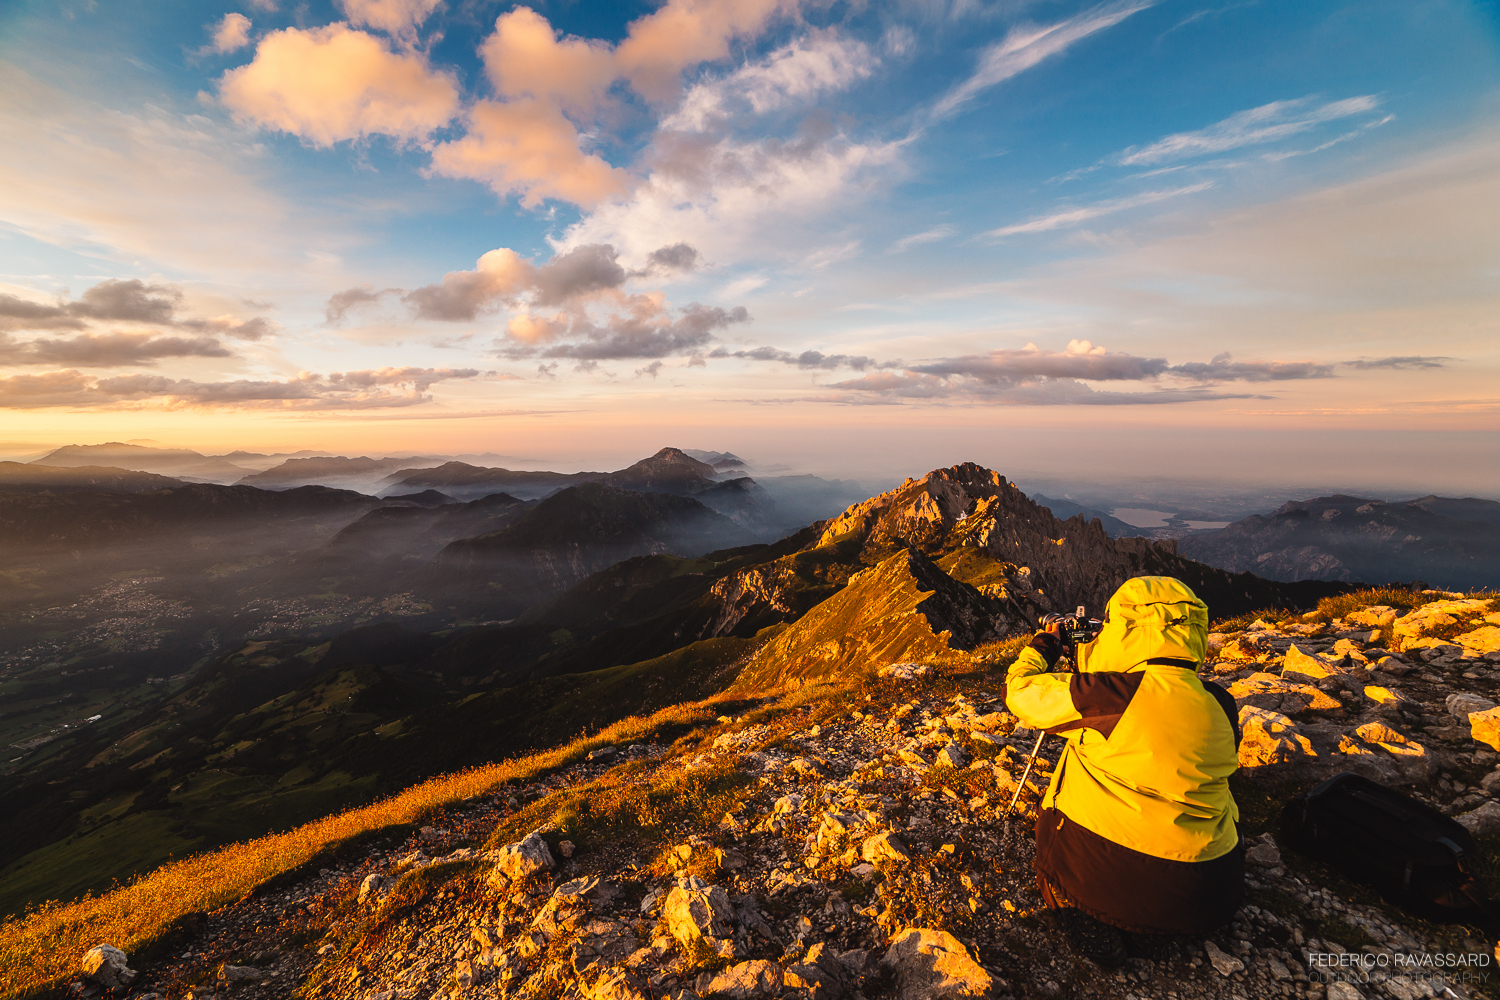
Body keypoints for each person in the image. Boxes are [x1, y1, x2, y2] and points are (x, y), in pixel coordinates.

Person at [1004, 576, 1243, 961]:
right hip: (1213, 891)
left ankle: (1083, 913)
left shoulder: (1108, 697)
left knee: (1076, 769)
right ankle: (1161, 930)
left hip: (1120, 881)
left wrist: (1045, 644)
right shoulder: (1220, 702)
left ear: (1126, 632)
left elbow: (1018, 692)